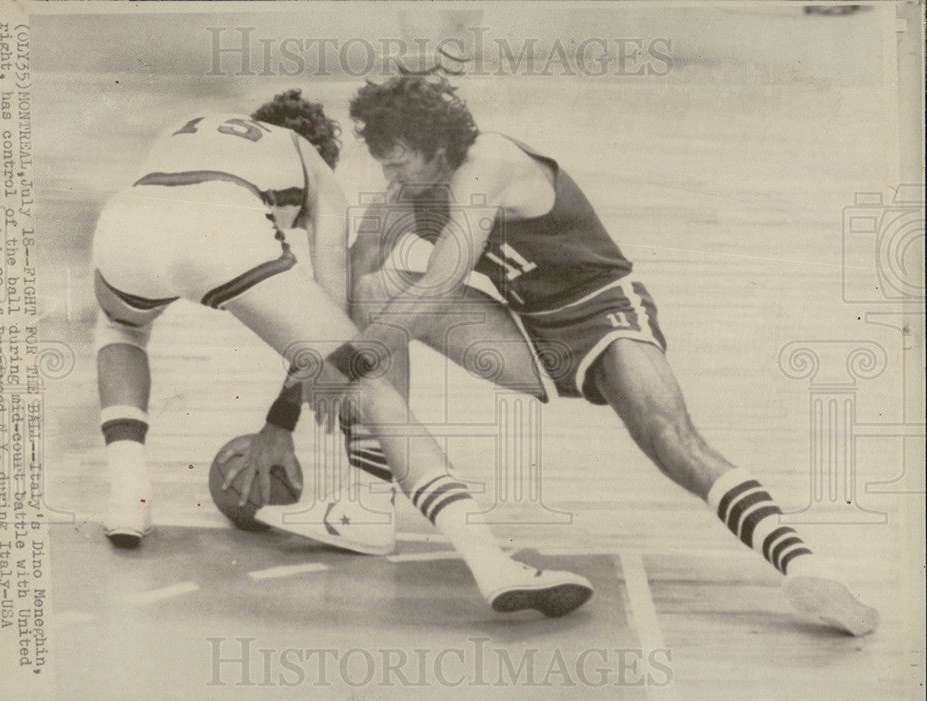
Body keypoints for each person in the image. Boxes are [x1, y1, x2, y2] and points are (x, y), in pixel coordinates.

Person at [256, 76, 879, 637]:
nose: (389, 182)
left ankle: (804, 566)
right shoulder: (405, 197)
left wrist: (349, 366)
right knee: (373, 290)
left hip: (601, 314)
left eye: (397, 166)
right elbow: (338, 300)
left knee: (669, 440)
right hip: (527, 335)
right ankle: (367, 502)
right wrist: (285, 411)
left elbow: (443, 283)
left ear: (437, 149)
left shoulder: (488, 163)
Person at [90, 89, 593, 617]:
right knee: (367, 382)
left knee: (119, 329)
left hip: (124, 226)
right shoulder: (310, 165)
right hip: (223, 231)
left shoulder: (187, 125)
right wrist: (280, 423)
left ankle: (129, 496)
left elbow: (161, 213)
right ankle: (492, 565)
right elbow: (336, 325)